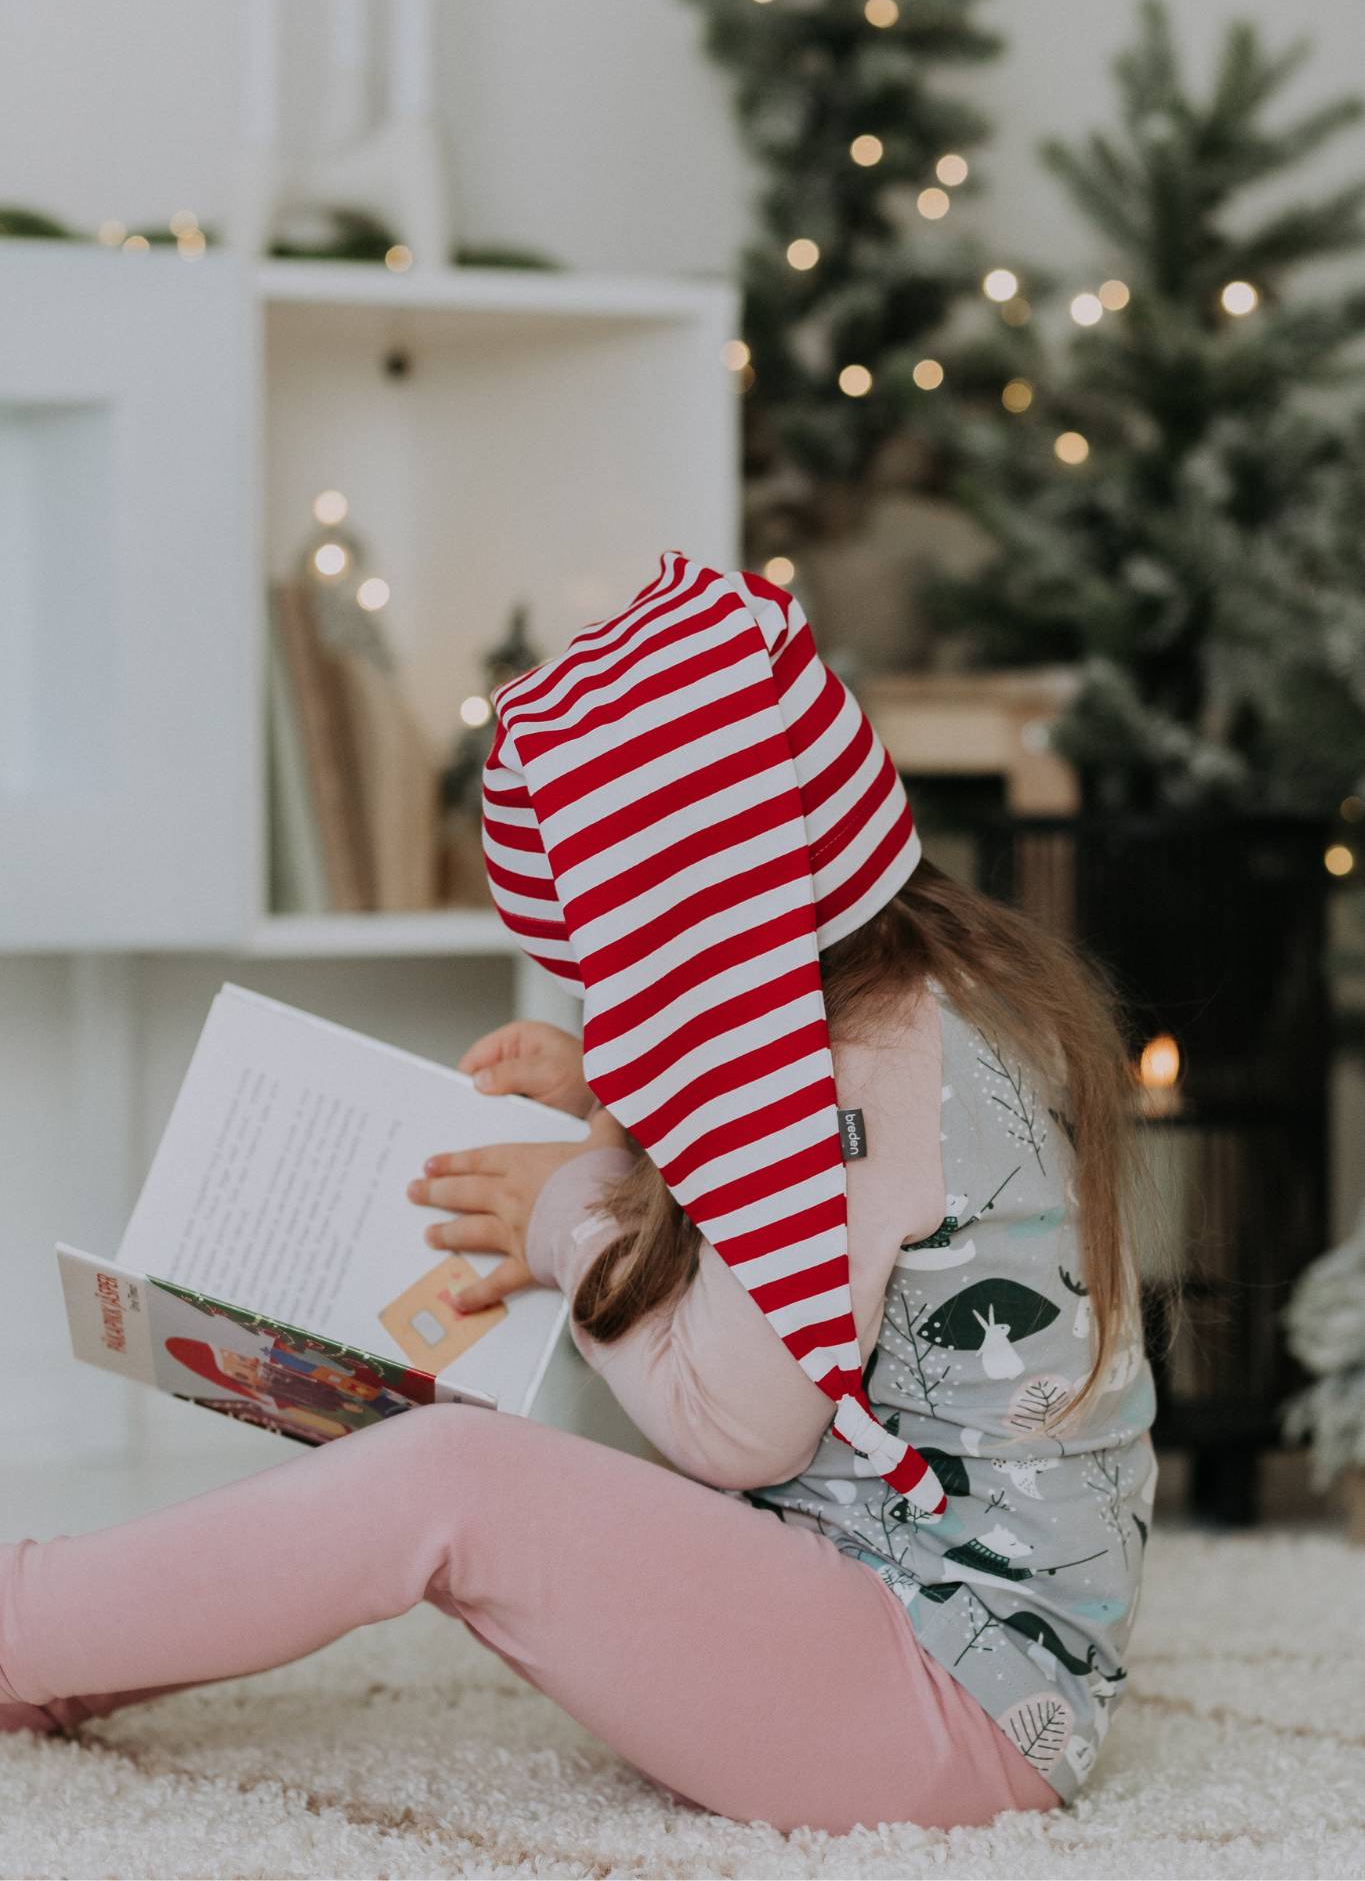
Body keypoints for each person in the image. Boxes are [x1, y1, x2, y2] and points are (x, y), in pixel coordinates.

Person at [0, 553, 1161, 1833]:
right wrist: (627, 1108)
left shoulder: (861, 1088)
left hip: (945, 1698)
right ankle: (59, 1660)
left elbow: (737, 1426)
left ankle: (22, 1622)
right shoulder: (919, 1007)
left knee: (448, 1481)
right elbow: (798, 1230)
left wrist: (569, 1214)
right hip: (939, 1649)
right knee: (445, 1468)